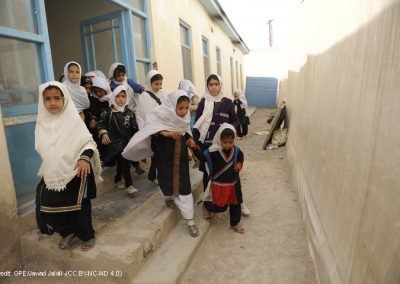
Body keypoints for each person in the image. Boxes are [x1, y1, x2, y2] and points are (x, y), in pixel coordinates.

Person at [35, 81, 102, 251]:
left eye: (57, 98)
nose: (53, 103)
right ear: (42, 101)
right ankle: (67, 232)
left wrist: (85, 158)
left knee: (80, 209)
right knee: (50, 210)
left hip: (76, 171)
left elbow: (88, 142)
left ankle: (87, 236)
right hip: (52, 173)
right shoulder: (41, 123)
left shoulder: (73, 120)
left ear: (64, 99)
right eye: (48, 99)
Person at [122, 90, 199, 237]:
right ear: (172, 106)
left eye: (186, 108)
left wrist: (190, 140)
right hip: (164, 155)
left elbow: (186, 130)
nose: (183, 112)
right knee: (165, 179)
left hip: (181, 157)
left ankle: (190, 220)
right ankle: (168, 197)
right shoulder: (161, 113)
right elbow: (151, 127)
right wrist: (166, 133)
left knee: (184, 185)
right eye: (180, 108)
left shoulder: (185, 117)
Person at [193, 74, 250, 216]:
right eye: (210, 84)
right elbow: (198, 123)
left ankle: (240, 202)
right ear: (207, 86)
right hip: (208, 146)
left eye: (216, 84)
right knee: (208, 175)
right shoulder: (203, 102)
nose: (213, 87)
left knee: (232, 175)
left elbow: (235, 121)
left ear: (220, 85)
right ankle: (208, 203)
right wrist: (195, 143)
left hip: (225, 145)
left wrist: (228, 130)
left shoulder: (227, 103)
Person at [201, 123, 245, 234]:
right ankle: (206, 205)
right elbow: (202, 157)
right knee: (220, 207)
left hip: (233, 183)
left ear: (234, 140)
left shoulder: (236, 150)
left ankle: (235, 223)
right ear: (219, 140)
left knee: (236, 203)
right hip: (219, 185)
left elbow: (241, 157)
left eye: (230, 142)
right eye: (225, 142)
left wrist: (239, 165)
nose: (227, 145)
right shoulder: (212, 151)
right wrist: (194, 148)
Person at [97, 85, 139, 195]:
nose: (121, 99)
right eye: (118, 96)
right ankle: (129, 185)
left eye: (123, 96)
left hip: (127, 142)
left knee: (123, 161)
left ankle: (118, 179)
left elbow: (134, 128)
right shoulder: (108, 112)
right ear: (113, 97)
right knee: (123, 160)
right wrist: (104, 133)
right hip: (114, 143)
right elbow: (100, 124)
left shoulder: (129, 113)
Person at [136, 70, 166, 183]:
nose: (158, 87)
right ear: (149, 83)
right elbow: (146, 116)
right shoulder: (144, 97)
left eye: (160, 84)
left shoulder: (162, 93)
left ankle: (153, 175)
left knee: (158, 154)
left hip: (162, 127)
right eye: (156, 84)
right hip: (152, 130)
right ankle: (157, 176)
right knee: (157, 154)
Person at [178, 79, 200, 168]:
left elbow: (198, 106)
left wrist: (187, 107)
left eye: (180, 85)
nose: (179, 87)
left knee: (191, 141)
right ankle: (192, 157)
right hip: (184, 121)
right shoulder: (181, 95)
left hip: (192, 121)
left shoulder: (193, 96)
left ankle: (197, 159)